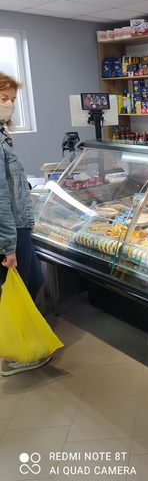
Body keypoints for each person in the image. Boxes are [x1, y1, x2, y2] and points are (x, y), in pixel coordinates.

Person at [0, 71, 50, 376]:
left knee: (29, 282)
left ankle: (20, 345)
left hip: (15, 226)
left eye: (12, 99)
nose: (9, 104)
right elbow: (1, 198)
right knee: (23, 286)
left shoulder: (3, 135)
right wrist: (8, 247)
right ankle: (17, 355)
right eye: (3, 98)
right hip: (11, 230)